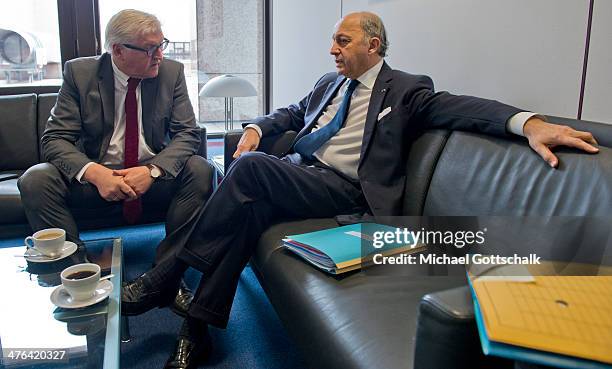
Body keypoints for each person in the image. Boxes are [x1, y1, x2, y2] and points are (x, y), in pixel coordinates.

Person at [121, 11, 599, 369]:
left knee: (247, 173)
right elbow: (290, 114)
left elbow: (464, 108)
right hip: (302, 172)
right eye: (332, 39)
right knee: (247, 203)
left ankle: (167, 274)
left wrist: (530, 123)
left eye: (342, 40)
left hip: (344, 191)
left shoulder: (408, 89)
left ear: (373, 44)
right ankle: (196, 326)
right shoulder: (331, 82)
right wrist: (254, 128)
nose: (332, 47)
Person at [17, 9, 213, 316]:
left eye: (162, 45)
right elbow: (54, 139)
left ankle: (165, 277)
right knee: (35, 179)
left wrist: (152, 170)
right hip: (97, 181)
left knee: (201, 169)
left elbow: (187, 133)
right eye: (150, 48)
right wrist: (95, 173)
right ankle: (78, 274)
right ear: (118, 51)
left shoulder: (171, 73)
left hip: (150, 178)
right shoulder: (80, 74)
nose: (159, 55)